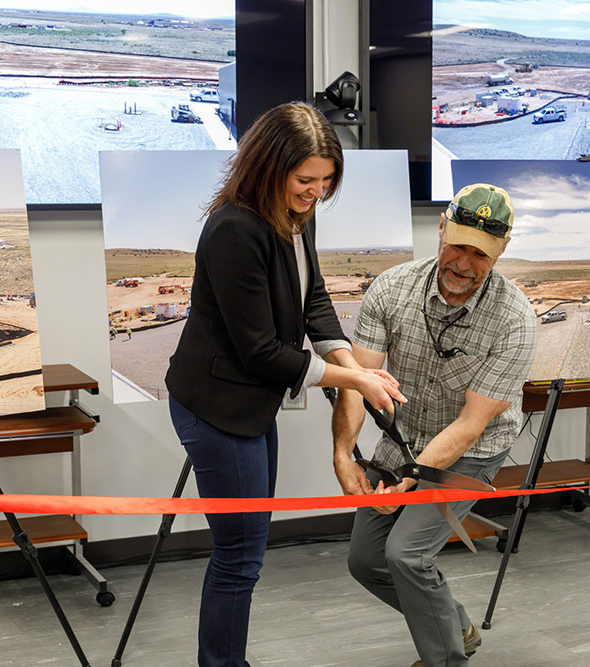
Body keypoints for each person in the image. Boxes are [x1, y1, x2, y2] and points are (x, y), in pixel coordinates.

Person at [164, 101, 405, 667]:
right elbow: (262, 353)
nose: (316, 192)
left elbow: (313, 300)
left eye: (326, 182)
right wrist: (356, 378)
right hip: (217, 404)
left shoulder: (298, 213)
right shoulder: (233, 229)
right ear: (270, 166)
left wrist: (350, 363)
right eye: (305, 180)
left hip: (248, 405)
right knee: (239, 556)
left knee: (245, 551)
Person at [332, 183, 537, 667]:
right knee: (365, 561)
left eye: (480, 254)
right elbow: (358, 382)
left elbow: (470, 425)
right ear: (440, 228)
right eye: (457, 246)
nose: (464, 264)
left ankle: (446, 659)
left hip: (470, 449)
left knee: (406, 554)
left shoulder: (516, 320)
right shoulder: (390, 288)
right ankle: (454, 626)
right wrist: (344, 453)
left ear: (502, 251)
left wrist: (408, 481)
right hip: (402, 440)